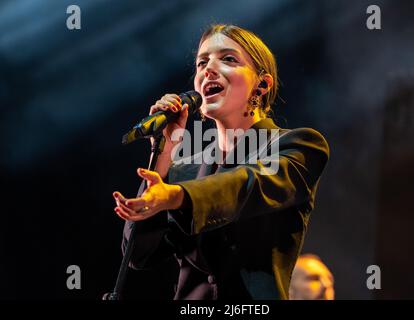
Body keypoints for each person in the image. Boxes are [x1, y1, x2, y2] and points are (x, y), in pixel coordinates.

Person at [112, 24, 330, 300]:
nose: (208, 69)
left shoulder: (299, 146)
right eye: (202, 62)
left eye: (228, 59)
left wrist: (177, 196)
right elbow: (141, 255)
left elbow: (248, 185)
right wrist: (163, 154)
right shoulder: (182, 171)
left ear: (262, 84)